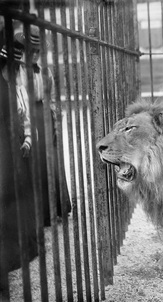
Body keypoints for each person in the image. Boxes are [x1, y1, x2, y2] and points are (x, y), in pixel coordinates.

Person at [15, 26, 71, 227]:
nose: (34, 55)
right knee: (36, 163)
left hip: (45, 113)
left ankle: (58, 207)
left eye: (38, 52)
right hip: (29, 115)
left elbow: (53, 97)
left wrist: (54, 117)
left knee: (52, 160)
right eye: (31, 51)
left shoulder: (45, 71)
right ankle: (41, 213)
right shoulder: (18, 71)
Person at [0, 44, 38, 272]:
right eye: (15, 68)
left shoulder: (11, 86)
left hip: (12, 147)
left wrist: (26, 138)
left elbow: (22, 117)